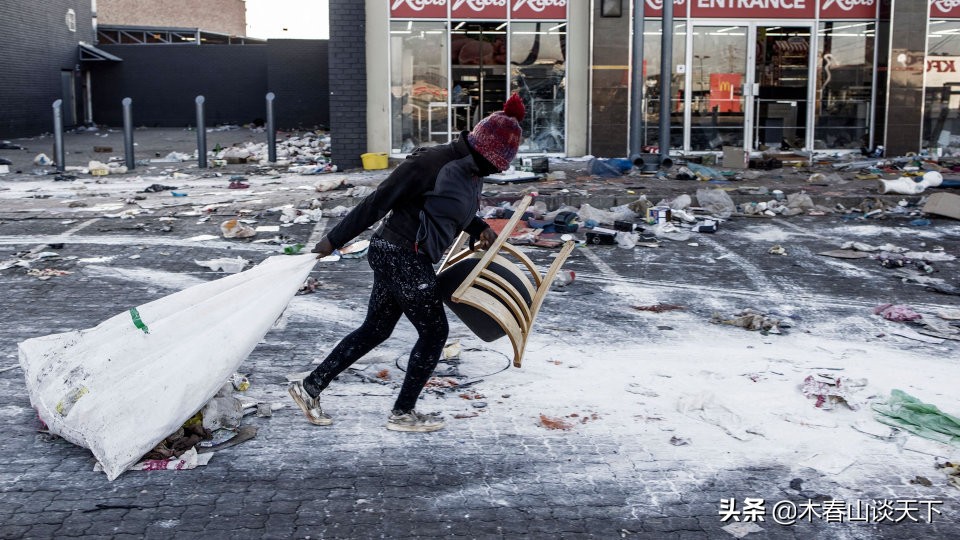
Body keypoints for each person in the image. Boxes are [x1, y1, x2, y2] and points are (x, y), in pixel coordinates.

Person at [288, 94, 526, 433]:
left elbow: (449, 207)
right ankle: (403, 413)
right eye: (496, 164)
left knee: (377, 329)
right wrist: (332, 241)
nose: (497, 171)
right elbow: (377, 202)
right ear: (482, 148)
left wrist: (478, 227)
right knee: (435, 332)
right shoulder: (429, 164)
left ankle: (309, 387)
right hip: (400, 253)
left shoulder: (473, 171)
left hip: (404, 255)